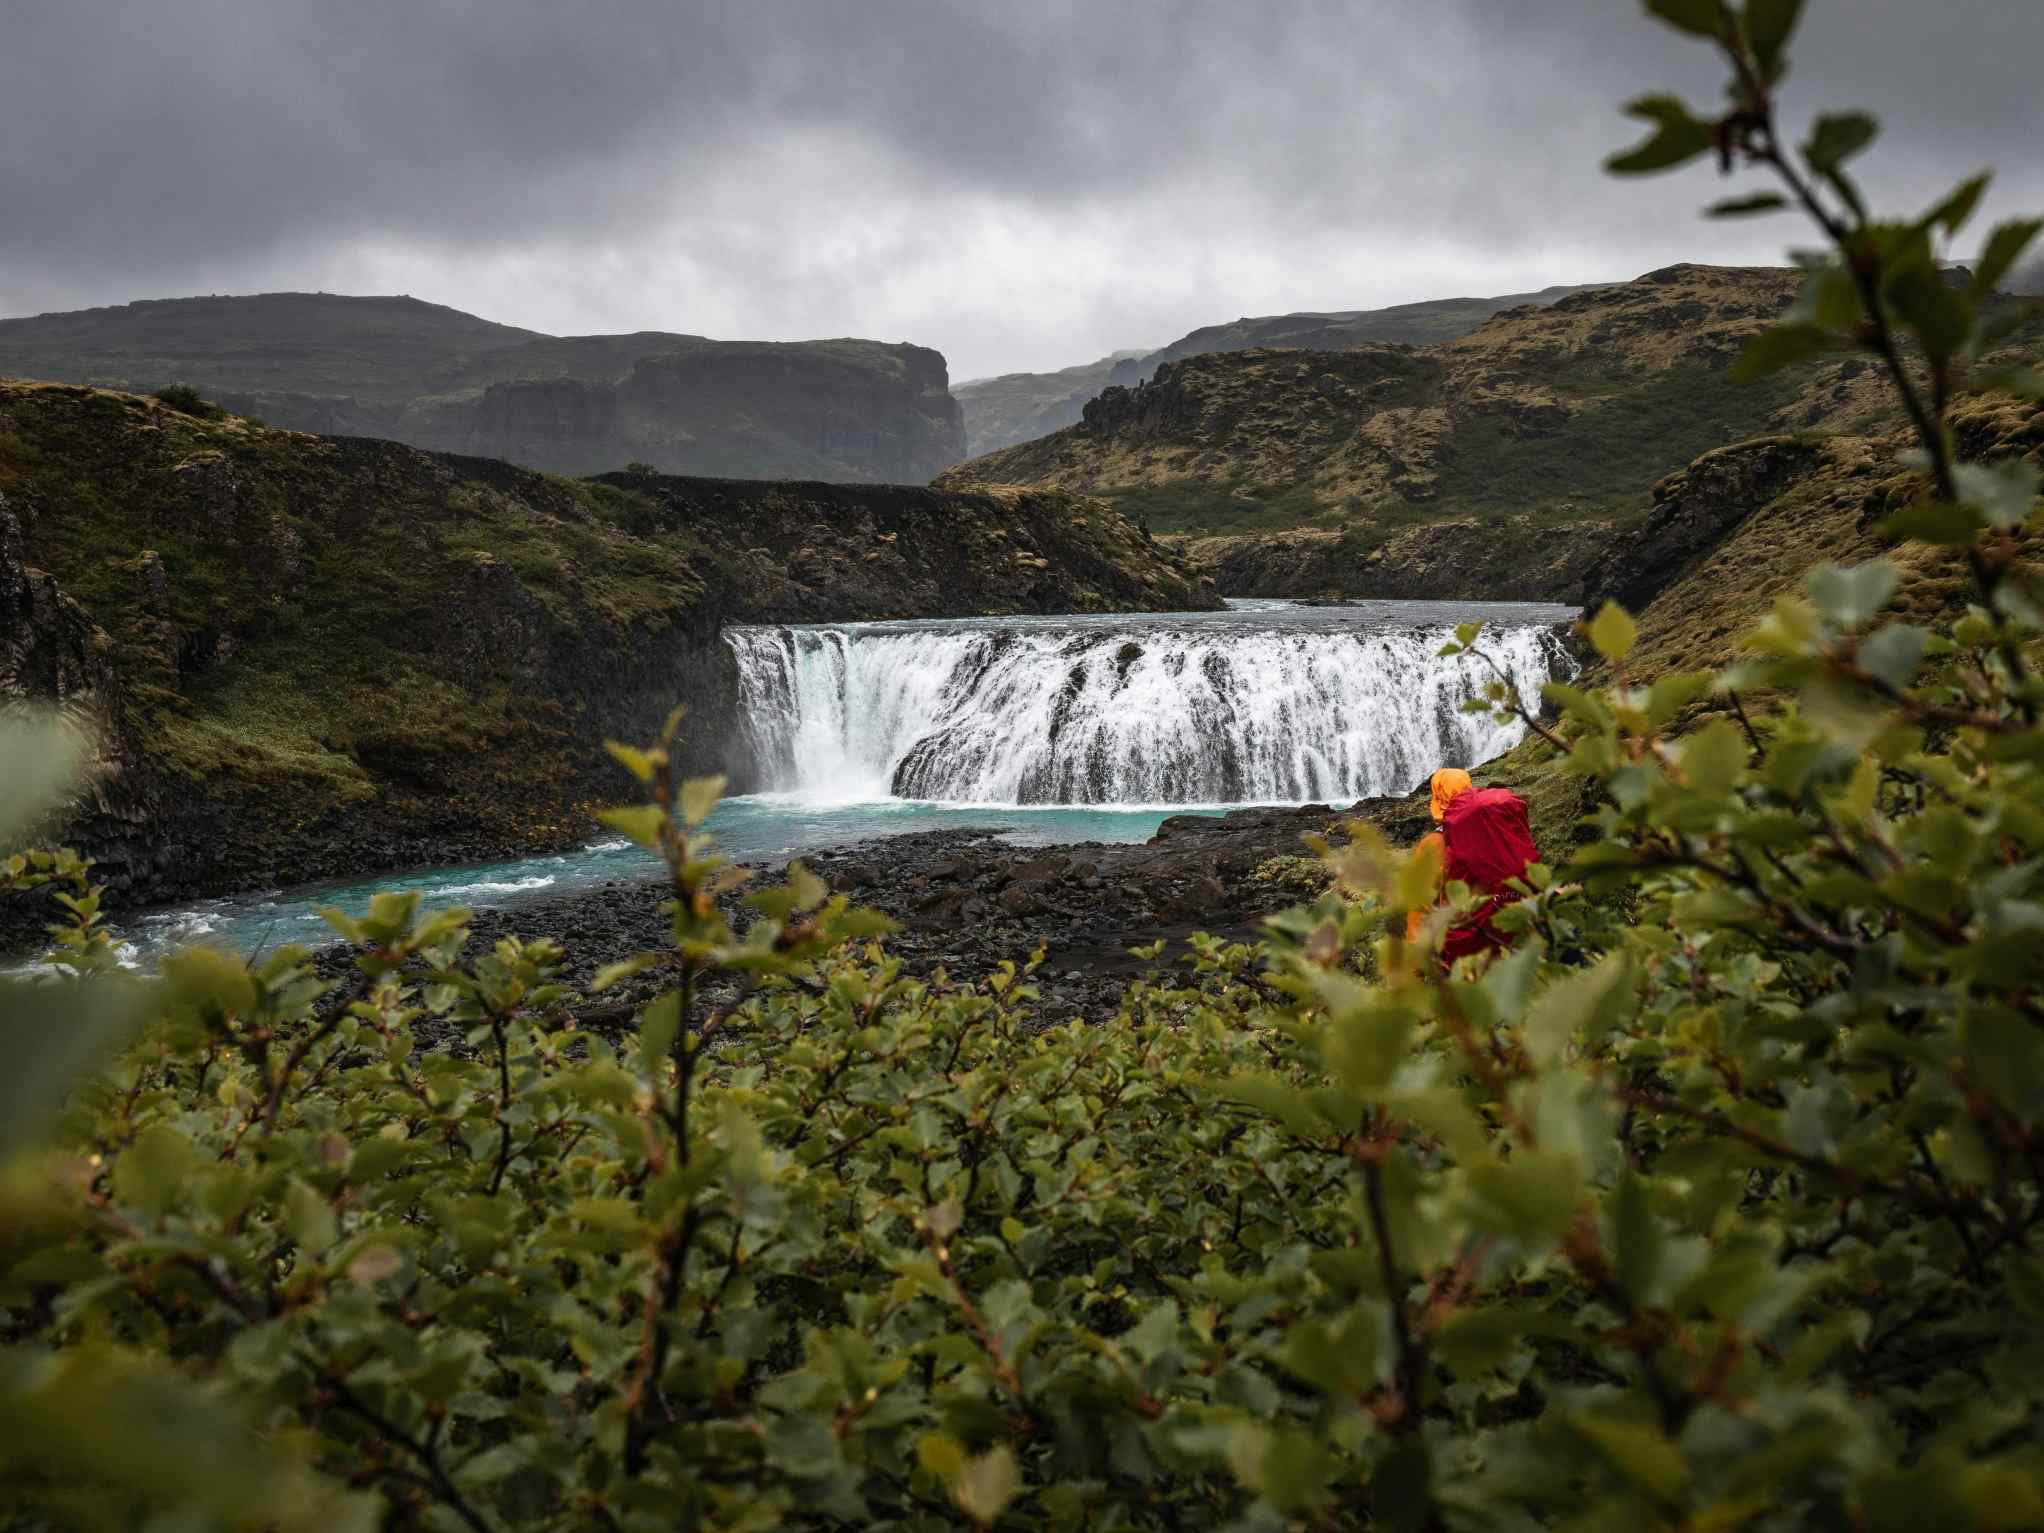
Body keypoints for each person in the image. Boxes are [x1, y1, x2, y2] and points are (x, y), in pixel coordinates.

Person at [1406, 767, 1540, 964]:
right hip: (1514, 942)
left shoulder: (1434, 844)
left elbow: (1418, 908)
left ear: (1437, 797)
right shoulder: (1495, 827)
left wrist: (1413, 972)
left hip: (1464, 952)